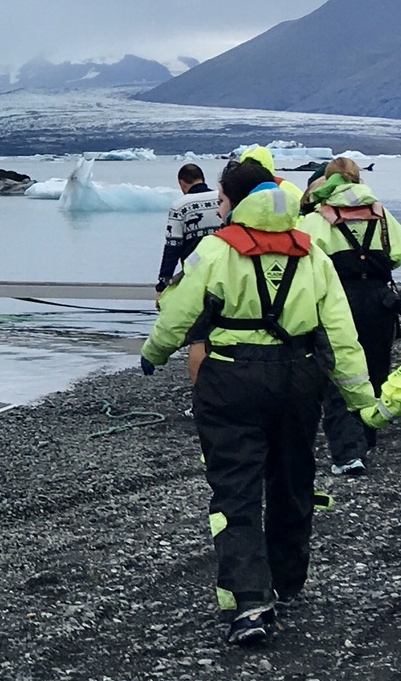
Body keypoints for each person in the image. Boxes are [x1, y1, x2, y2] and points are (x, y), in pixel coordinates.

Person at [141, 157, 377, 648]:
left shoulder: (215, 251)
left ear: (238, 204)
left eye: (223, 200)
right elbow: (341, 333)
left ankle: (251, 602)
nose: (219, 208)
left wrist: (153, 353)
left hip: (231, 380)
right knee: (293, 477)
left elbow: (179, 315)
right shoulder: (310, 254)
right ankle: (288, 580)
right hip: (298, 379)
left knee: (235, 487)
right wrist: (361, 399)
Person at [298, 157, 400, 476]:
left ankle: (349, 451)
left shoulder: (318, 219)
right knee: (377, 368)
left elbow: (301, 260)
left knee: (340, 371)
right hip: (381, 302)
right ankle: (368, 433)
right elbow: (396, 255)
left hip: (339, 300)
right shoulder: (381, 215)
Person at [159, 163, 225, 406]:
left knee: (198, 337)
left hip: (195, 277)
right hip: (227, 273)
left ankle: (202, 401)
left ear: (182, 182)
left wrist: (162, 284)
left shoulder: (180, 206)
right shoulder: (221, 199)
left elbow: (172, 247)